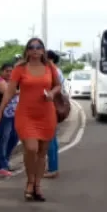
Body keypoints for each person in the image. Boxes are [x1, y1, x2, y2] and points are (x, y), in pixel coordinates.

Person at [0, 37, 61, 201]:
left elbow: (57, 85)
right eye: (32, 47)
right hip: (26, 114)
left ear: (43, 50)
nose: (35, 50)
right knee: (31, 148)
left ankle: (37, 185)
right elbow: (10, 91)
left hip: (46, 114)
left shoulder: (49, 67)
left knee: (42, 152)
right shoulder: (20, 68)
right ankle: (30, 181)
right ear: (27, 50)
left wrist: (52, 93)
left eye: (39, 47)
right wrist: (0, 111)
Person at [45, 50, 64, 178]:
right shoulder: (57, 70)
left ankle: (52, 168)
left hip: (49, 106)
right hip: (53, 106)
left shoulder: (52, 71)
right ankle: (53, 166)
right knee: (52, 138)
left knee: (49, 138)